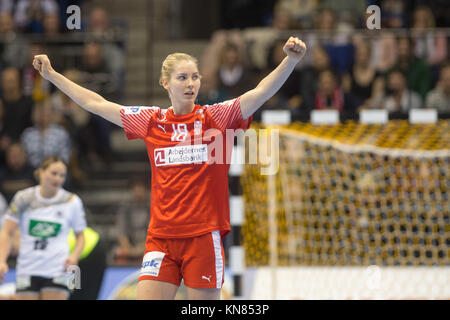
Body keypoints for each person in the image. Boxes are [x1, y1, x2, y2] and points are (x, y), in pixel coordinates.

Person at [31, 36, 307, 300]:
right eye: (182, 77)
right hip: (160, 240)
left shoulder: (216, 117)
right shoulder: (151, 121)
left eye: (195, 77)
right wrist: (53, 75)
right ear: (165, 82)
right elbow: (96, 103)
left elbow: (260, 92)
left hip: (202, 237)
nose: (190, 83)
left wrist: (290, 61)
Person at [0, 156, 86, 300]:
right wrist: (1, 260)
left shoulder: (72, 201)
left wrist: (74, 256)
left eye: (62, 175)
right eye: (54, 173)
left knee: (71, 288)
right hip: (27, 268)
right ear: (41, 172)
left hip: (58, 269)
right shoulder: (23, 198)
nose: (58, 178)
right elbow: (8, 232)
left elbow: (81, 236)